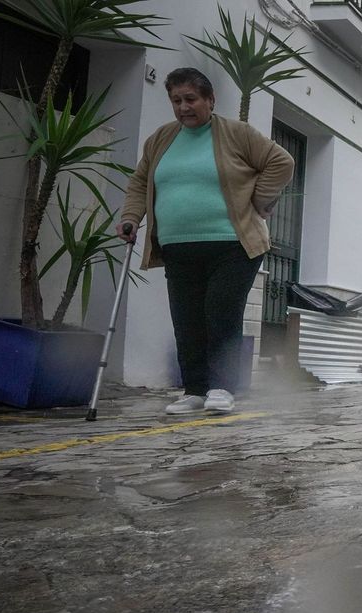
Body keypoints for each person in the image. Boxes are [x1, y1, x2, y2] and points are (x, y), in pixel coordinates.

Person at [118, 67, 295, 415]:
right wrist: (129, 217)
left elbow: (281, 161)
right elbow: (140, 183)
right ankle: (194, 390)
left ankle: (222, 387)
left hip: (233, 245)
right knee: (187, 320)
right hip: (178, 246)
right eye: (176, 100)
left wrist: (259, 200)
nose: (184, 107)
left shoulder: (236, 133)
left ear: (210, 100)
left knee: (221, 314)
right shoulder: (160, 139)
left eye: (191, 99)